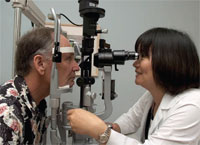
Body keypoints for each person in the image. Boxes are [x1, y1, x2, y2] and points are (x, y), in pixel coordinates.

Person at [67, 27, 200, 145]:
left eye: (142, 56)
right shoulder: (152, 96)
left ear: (168, 60)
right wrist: (109, 127)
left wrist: (100, 131)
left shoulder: (192, 105)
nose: (134, 64)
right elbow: (131, 120)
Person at [0, 27, 79, 144]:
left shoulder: (37, 105)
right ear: (40, 64)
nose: (76, 67)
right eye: (68, 59)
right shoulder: (7, 115)